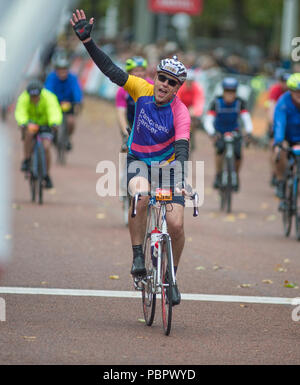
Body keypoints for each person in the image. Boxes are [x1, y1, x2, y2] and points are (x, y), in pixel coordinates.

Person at [71, 9, 191, 305]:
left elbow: (182, 148)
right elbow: (111, 70)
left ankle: (171, 276)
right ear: (155, 77)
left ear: (178, 88)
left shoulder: (181, 112)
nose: (164, 84)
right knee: (140, 197)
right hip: (138, 161)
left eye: (172, 82)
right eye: (162, 78)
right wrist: (88, 42)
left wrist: (177, 179)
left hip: (167, 168)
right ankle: (138, 255)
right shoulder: (141, 89)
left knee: (176, 225)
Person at [203, 77, 253, 191]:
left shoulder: (240, 103)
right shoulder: (216, 102)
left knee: (238, 154)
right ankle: (218, 174)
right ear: (223, 91)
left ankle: (235, 175)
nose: (230, 94)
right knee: (219, 150)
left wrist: (249, 132)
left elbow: (246, 119)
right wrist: (212, 132)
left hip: (234, 131)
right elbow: (209, 120)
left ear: (235, 92)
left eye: (232, 92)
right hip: (219, 131)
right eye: (227, 91)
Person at [115, 57, 153, 197]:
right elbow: (121, 113)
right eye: (135, 71)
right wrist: (126, 133)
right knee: (127, 149)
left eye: (142, 70)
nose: (139, 74)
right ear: (129, 73)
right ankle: (125, 180)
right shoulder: (123, 91)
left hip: (148, 125)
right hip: (130, 124)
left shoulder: (151, 87)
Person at [15, 80, 63, 188]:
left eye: (36, 96)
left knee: (46, 147)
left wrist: (54, 122)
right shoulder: (24, 98)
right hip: (31, 124)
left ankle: (46, 174)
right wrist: (23, 123)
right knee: (28, 134)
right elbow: (20, 111)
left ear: (41, 93)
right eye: (32, 96)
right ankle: (27, 160)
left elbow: (54, 110)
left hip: (45, 124)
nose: (34, 99)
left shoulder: (49, 97)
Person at [272, 73, 300, 205]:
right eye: (296, 92)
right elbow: (279, 123)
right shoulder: (283, 102)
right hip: (287, 137)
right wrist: (279, 142)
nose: (299, 94)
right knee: (280, 151)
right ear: (290, 91)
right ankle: (281, 181)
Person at [45, 56, 83, 150]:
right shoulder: (51, 77)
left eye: (64, 70)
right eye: (60, 70)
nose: (62, 72)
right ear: (56, 70)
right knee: (53, 122)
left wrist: (78, 102)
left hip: (68, 103)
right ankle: (54, 135)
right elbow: (47, 91)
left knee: (71, 121)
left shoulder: (73, 78)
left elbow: (77, 90)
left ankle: (67, 138)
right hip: (55, 104)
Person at [267, 70, 290, 186]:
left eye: (287, 82)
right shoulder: (276, 90)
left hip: (291, 123)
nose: (285, 84)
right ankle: (275, 171)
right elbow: (272, 107)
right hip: (277, 121)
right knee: (274, 146)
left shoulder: (293, 92)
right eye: (283, 81)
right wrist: (272, 124)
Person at [177, 69, 205, 152]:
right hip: (182, 105)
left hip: (192, 106)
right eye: (187, 81)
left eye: (191, 81)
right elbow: (177, 98)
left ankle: (192, 135)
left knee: (193, 120)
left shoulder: (197, 87)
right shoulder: (181, 87)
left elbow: (199, 100)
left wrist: (196, 111)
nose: (189, 83)